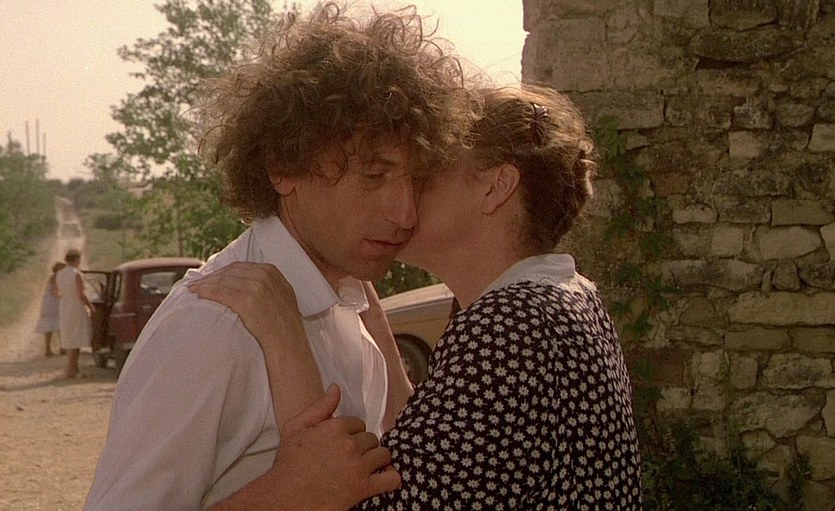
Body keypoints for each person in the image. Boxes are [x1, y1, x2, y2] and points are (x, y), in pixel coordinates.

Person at [84, 3, 473, 510]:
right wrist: (282, 496)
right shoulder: (213, 328)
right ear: (283, 168)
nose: (405, 213)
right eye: (374, 175)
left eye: (416, 180)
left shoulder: (347, 310)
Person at [191, 85, 644, 508]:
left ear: (495, 187)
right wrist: (370, 311)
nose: (402, 201)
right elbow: (439, 455)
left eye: (425, 173)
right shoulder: (563, 298)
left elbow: (358, 499)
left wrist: (286, 339)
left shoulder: (511, 328)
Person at [55, 249, 93, 378]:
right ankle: (71, 369)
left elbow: (57, 292)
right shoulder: (76, 274)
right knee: (76, 337)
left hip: (64, 306)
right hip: (75, 306)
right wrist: (90, 306)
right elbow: (80, 294)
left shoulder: (59, 274)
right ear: (77, 259)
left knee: (70, 336)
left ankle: (74, 368)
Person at [35, 262, 66, 357]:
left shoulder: (54, 278)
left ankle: (50, 349)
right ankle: (60, 348)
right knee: (60, 325)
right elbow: (55, 292)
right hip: (53, 304)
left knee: (53, 326)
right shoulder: (55, 278)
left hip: (50, 303)